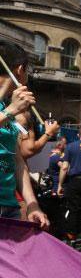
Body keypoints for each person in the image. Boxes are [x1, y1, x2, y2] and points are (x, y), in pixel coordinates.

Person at [0, 41, 48, 227]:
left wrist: (32, 205)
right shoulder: (9, 110)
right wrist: (11, 111)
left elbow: (18, 162)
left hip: (8, 207)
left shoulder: (6, 106)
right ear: (20, 69)